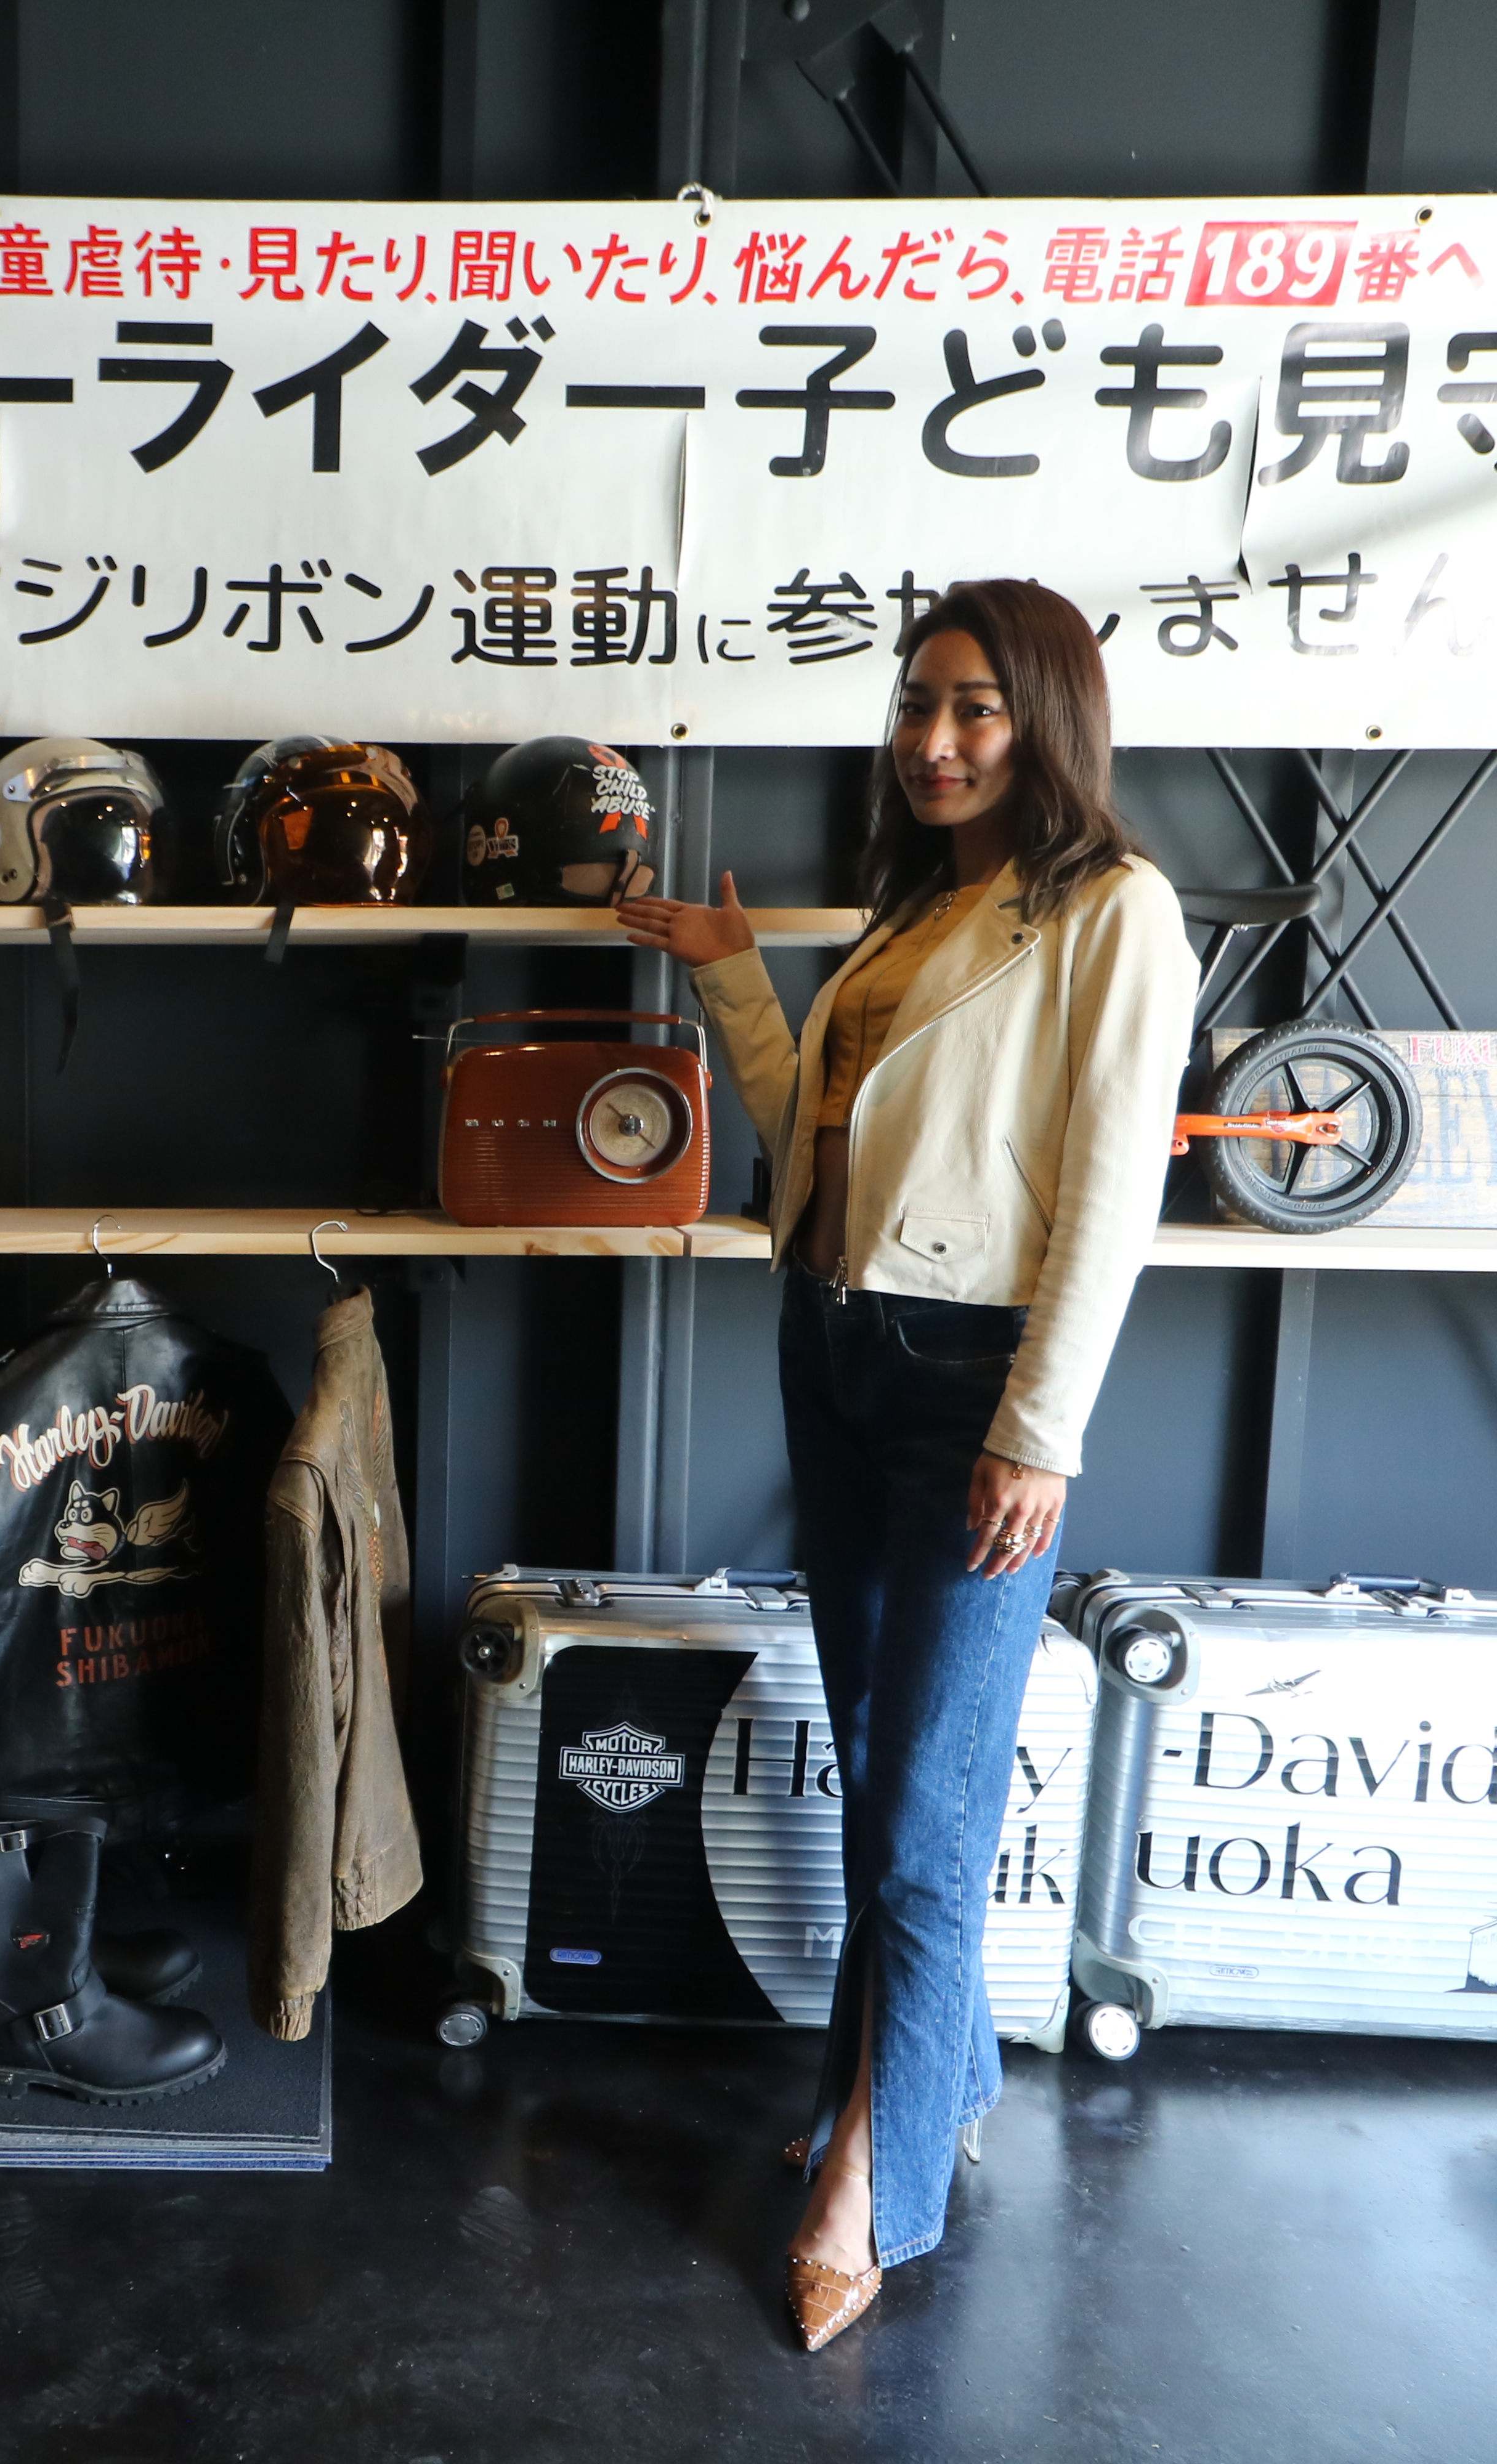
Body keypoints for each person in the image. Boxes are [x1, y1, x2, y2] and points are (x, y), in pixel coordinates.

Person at [621, 579, 1198, 2352]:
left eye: (973, 708)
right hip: (835, 1345)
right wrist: (734, 982)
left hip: (971, 1380)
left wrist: (1039, 1430)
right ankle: (931, 2082)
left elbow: (1114, 1194)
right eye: (914, 705)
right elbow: (819, 1140)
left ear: (1047, 719)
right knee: (884, 1762)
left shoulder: (1112, 910)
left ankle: (874, 2190)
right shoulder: (916, 916)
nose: (932, 741)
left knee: (927, 1811)